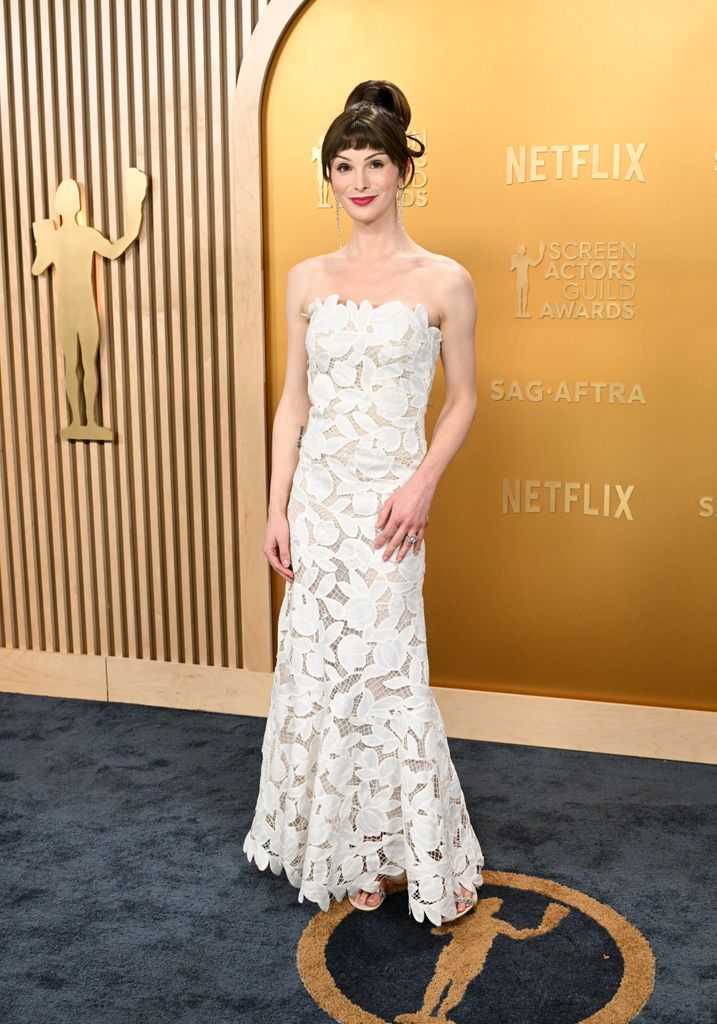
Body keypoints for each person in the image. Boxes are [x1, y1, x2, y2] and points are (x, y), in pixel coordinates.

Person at [243, 79, 484, 926]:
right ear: (330, 177)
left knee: (387, 674)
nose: (358, 180)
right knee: (319, 670)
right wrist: (275, 510)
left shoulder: (444, 280)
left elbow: (461, 400)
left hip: (388, 508)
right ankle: (344, 847)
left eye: (373, 162)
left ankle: (408, 849)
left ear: (401, 170)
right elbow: (293, 402)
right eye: (342, 165)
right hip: (317, 504)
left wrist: (420, 484)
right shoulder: (306, 278)